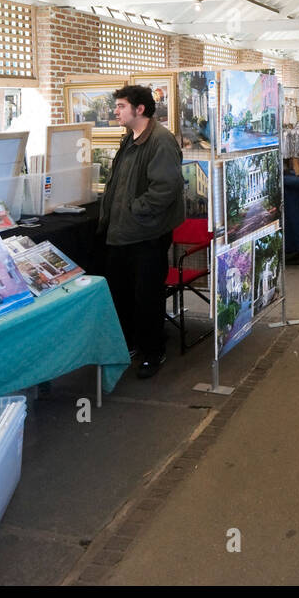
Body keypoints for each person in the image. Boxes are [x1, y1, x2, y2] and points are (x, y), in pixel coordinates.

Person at [98, 84, 185, 378]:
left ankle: (153, 352)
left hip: (147, 234)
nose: (116, 111)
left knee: (147, 296)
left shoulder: (160, 141)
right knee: (122, 292)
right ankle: (132, 343)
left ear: (140, 109)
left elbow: (166, 188)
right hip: (122, 233)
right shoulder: (129, 139)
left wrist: (136, 210)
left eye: (121, 106)